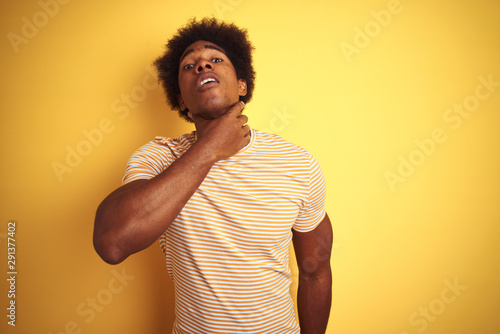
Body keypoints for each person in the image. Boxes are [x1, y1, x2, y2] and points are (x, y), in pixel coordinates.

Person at [93, 17, 332, 334]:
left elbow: (315, 271)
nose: (202, 66)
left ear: (242, 85)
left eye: (215, 59)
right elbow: (112, 242)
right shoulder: (158, 157)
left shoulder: (296, 162)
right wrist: (209, 148)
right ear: (181, 101)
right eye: (188, 66)